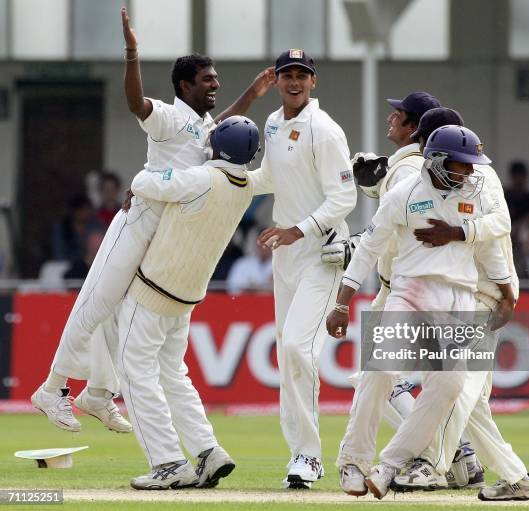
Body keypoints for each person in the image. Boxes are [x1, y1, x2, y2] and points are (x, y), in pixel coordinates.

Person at [30, 6, 275, 434]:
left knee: (118, 314)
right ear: (185, 85)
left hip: (163, 235)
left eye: (216, 78)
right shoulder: (165, 116)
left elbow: (222, 123)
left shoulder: (202, 126)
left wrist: (253, 93)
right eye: (208, 79)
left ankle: (99, 395)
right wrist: (131, 51)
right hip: (136, 223)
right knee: (96, 305)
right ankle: (52, 389)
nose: (216, 83)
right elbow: (134, 102)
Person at [326, 125, 519, 500]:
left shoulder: (473, 196)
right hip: (412, 290)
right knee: (380, 370)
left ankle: (390, 466)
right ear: (437, 161)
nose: (469, 173)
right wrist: (341, 302)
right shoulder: (404, 193)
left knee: (448, 386)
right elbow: (368, 248)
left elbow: (490, 250)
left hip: (459, 300)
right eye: (462, 165)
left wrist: (507, 295)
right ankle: (354, 461)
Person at [119, 115, 258, 490]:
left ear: (218, 146)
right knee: (171, 373)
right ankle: (207, 449)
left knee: (134, 373)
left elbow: (143, 182)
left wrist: (171, 162)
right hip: (187, 295)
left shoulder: (199, 179)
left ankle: (167, 462)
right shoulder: (244, 186)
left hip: (154, 287)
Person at [249, 49, 357, 488]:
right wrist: (225, 179)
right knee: (287, 352)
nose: (295, 82)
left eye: (302, 75)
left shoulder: (325, 131)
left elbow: (344, 199)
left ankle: (309, 457)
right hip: (286, 254)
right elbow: (268, 179)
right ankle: (299, 453)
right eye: (288, 75)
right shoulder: (273, 124)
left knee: (297, 348)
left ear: (314, 82)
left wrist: (300, 229)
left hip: (322, 253)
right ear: (276, 80)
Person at [226, 227, 273, 294]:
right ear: (257, 243)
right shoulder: (242, 263)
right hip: (245, 303)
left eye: (269, 242)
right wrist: (250, 289)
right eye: (263, 242)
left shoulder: (281, 265)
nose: (265, 246)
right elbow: (232, 289)